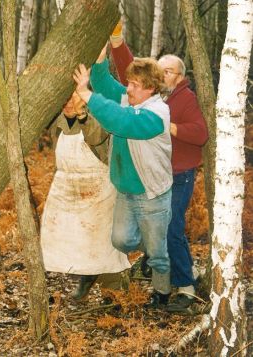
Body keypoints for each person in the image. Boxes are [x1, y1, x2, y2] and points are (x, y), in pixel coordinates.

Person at [110, 22, 209, 312]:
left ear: (179, 76)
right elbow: (130, 68)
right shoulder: (156, 96)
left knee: (172, 229)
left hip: (179, 175)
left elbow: (200, 134)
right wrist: (117, 43)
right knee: (157, 231)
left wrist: (168, 127)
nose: (162, 74)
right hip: (156, 176)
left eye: (168, 71)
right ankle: (159, 265)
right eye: (160, 70)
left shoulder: (185, 99)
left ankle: (187, 287)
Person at [72, 47, 173, 309]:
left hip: (152, 194)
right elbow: (105, 84)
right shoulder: (130, 100)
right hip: (126, 190)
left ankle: (161, 295)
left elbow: (122, 122)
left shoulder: (157, 114)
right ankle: (151, 243)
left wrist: (87, 95)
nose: (128, 88)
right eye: (129, 82)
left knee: (159, 255)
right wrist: (99, 57)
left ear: (150, 89)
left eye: (135, 85)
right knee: (121, 240)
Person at [40, 92, 130, 301]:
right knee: (69, 239)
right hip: (67, 187)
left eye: (74, 97)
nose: (69, 103)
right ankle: (84, 283)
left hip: (98, 188)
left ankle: (114, 291)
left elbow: (97, 136)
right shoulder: (59, 122)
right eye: (65, 98)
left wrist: (82, 116)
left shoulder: (98, 115)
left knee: (103, 243)